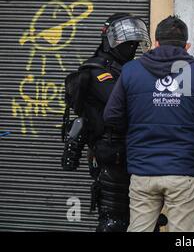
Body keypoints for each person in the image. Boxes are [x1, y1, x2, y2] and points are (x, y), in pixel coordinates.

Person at [103, 15, 194, 232]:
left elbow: (111, 116)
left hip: (142, 170)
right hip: (184, 171)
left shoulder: (131, 70)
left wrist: (138, 126)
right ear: (187, 46)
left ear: (156, 43)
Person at [61, 13, 149, 231]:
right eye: (128, 43)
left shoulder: (125, 68)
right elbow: (121, 103)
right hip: (111, 153)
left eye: (135, 44)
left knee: (140, 217)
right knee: (114, 220)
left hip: (133, 153)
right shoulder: (98, 71)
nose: (132, 48)